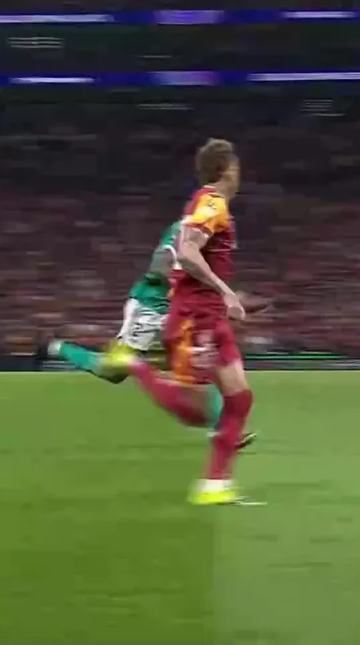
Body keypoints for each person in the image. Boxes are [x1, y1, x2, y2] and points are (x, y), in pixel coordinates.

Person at [104, 138, 259, 505]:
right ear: (228, 169)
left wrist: (226, 299)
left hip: (212, 316)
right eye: (236, 166)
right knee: (195, 409)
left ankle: (214, 485)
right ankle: (134, 364)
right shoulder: (211, 203)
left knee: (239, 398)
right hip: (194, 317)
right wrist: (227, 292)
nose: (240, 173)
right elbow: (188, 252)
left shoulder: (214, 206)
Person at [38, 221, 256, 450]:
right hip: (150, 308)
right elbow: (160, 264)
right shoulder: (188, 230)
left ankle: (224, 430)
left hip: (179, 311)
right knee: (111, 372)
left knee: (203, 360)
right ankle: (57, 347)